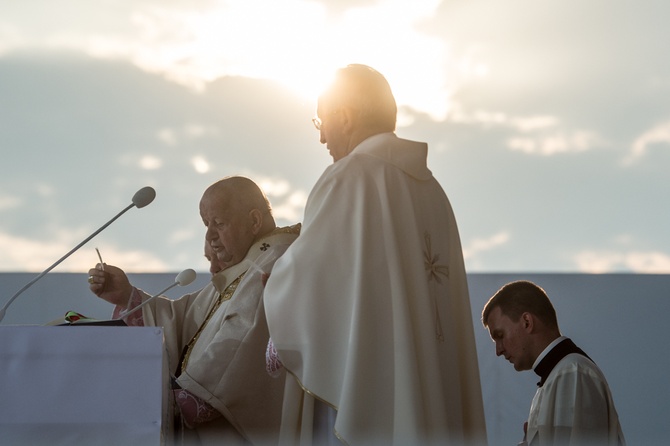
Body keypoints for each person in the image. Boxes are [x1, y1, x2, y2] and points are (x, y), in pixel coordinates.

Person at [262, 64, 487, 445]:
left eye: (321, 124)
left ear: (345, 118)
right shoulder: (435, 193)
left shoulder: (351, 176)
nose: (322, 140)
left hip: (369, 393)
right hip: (433, 389)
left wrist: (274, 278)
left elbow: (311, 278)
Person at [88, 176, 301, 446]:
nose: (210, 236)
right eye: (206, 224)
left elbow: (243, 335)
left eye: (219, 223)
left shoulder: (275, 260)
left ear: (255, 221)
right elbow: (185, 319)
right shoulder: (245, 266)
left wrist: (186, 395)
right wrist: (128, 297)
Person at [481, 280, 626, 446]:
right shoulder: (561, 374)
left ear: (527, 322)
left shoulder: (572, 373)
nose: (498, 351)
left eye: (500, 335)